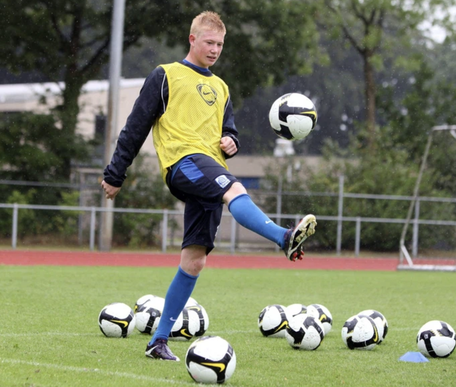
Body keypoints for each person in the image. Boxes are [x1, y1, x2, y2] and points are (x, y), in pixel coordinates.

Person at [101, 11, 316, 361]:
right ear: (193, 40)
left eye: (220, 44)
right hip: (182, 163)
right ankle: (283, 237)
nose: (215, 49)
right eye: (209, 42)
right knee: (236, 191)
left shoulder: (221, 87)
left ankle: (158, 341)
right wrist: (115, 173)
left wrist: (231, 141)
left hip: (209, 167)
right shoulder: (165, 75)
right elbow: (135, 126)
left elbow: (226, 132)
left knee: (194, 260)